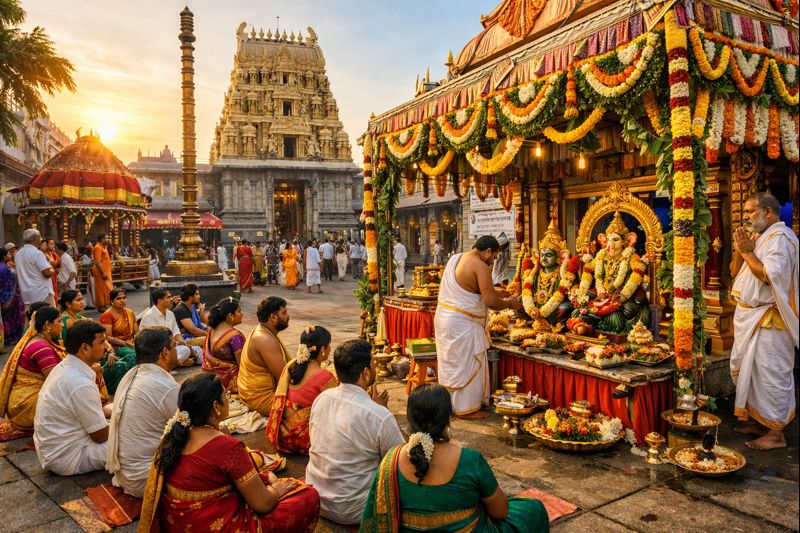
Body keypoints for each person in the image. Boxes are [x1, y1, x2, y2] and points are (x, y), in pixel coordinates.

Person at [138, 375, 322, 532]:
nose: (228, 399)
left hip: (180, 523)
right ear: (215, 407)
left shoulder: (176, 436)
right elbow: (263, 504)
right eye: (225, 395)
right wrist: (276, 489)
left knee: (263, 475)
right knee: (307, 495)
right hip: (217, 525)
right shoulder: (227, 447)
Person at [362, 384, 549, 532]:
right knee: (533, 509)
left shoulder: (391, 460)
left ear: (410, 419)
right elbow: (501, 512)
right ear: (448, 420)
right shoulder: (470, 460)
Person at [306, 339, 404, 525]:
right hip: (355, 509)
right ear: (365, 373)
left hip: (318, 499)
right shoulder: (379, 415)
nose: (374, 368)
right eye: (373, 364)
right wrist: (383, 411)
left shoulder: (321, 398)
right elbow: (401, 462)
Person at [730, 192, 799, 450]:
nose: (745, 217)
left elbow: (769, 275)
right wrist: (742, 250)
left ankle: (776, 434)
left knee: (772, 376)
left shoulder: (781, 239)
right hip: (752, 316)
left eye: (750, 212)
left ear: (768, 212)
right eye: (745, 212)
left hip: (770, 320)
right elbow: (736, 271)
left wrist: (748, 252)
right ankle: (761, 421)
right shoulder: (761, 238)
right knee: (756, 374)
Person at [435, 236, 522, 417]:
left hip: (445, 320)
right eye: (495, 256)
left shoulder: (457, 258)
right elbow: (490, 301)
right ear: (488, 251)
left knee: (452, 363)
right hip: (463, 324)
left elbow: (470, 287)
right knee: (466, 364)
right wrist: (510, 303)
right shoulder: (480, 265)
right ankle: (466, 409)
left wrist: (498, 291)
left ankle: (450, 404)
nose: (494, 260)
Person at [107, 328, 179, 497]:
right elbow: (192, 428)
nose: (177, 350)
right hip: (148, 479)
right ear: (165, 353)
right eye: (174, 346)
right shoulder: (164, 386)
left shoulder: (134, 375)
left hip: (126, 476)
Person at [34, 319, 109, 475]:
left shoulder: (66, 366)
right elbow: (100, 436)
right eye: (102, 342)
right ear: (85, 348)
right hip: (69, 457)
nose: (106, 346)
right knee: (135, 441)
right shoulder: (79, 382)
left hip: (54, 450)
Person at [266, 325, 336, 454]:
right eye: (329, 345)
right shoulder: (324, 377)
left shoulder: (291, 366)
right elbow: (337, 410)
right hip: (305, 442)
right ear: (322, 350)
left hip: (284, 437)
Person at [0, 306, 65, 441]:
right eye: (59, 321)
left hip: (20, 403)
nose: (62, 324)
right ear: (47, 325)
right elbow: (56, 381)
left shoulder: (38, 340)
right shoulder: (42, 348)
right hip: (27, 406)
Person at [237, 297, 290, 415]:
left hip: (251, 393)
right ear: (273, 317)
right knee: (309, 401)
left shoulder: (265, 332)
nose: (288, 316)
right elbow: (285, 377)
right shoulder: (265, 339)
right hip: (261, 399)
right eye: (284, 313)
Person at [140, 287, 199, 365]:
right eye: (168, 297)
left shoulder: (170, 314)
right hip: (155, 351)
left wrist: (182, 342)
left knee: (190, 349)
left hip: (170, 348)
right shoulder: (149, 316)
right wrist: (173, 345)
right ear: (160, 301)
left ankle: (174, 363)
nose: (171, 299)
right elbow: (154, 341)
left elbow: (175, 331)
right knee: (186, 352)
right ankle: (178, 363)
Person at [98, 288, 139, 394]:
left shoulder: (130, 312)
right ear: (112, 301)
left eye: (124, 298)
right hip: (117, 347)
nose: (122, 300)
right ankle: (131, 385)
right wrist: (126, 344)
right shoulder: (107, 315)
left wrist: (138, 342)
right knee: (133, 355)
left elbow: (136, 332)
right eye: (118, 298)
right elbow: (108, 337)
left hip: (131, 343)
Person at [202, 297, 246, 393]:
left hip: (212, 380)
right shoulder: (234, 336)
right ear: (230, 315)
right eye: (239, 311)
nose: (242, 314)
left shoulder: (212, 330)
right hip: (230, 382)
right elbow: (243, 365)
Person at [14, 229, 55, 307]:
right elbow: (47, 273)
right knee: (49, 317)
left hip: (27, 294)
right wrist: (52, 270)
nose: (41, 239)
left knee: (31, 317)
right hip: (42, 293)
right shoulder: (37, 253)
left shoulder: (18, 254)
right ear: (35, 239)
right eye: (40, 237)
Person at [0, 248, 25, 345]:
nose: (10, 256)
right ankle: (10, 338)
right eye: (8, 254)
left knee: (6, 319)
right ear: (3, 256)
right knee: (11, 319)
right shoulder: (5, 268)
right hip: (10, 298)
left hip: (6, 297)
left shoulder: (6, 266)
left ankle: (6, 338)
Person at [92, 233, 113, 312]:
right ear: (102, 239)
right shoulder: (97, 248)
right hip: (101, 273)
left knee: (107, 289)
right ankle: (101, 306)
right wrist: (103, 273)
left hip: (106, 272)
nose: (108, 240)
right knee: (101, 290)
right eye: (107, 238)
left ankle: (105, 305)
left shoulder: (103, 247)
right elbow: (97, 262)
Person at [80, 245, 96, 309]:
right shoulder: (83, 257)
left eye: (91, 249)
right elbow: (81, 266)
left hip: (92, 275)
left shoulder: (93, 257)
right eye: (88, 249)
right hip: (86, 275)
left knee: (93, 289)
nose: (90, 251)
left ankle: (94, 304)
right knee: (88, 290)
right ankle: (90, 304)